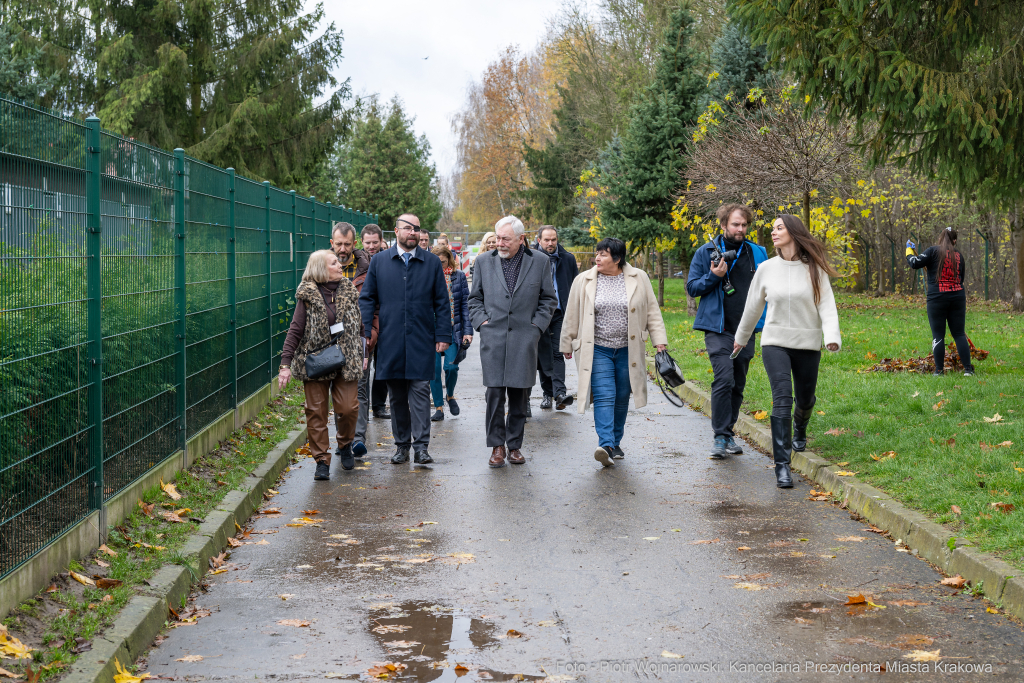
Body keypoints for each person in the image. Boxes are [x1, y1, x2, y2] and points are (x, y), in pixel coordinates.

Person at [733, 214, 841, 488]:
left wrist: (831, 337)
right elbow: (752, 307)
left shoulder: (815, 268)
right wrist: (741, 338)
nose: (773, 232)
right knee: (782, 398)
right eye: (772, 228)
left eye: (779, 228)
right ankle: (782, 466)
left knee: (804, 399)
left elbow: (826, 305)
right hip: (775, 342)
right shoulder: (766, 268)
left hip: (807, 344)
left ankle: (800, 427)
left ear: (794, 232)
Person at [560, 238, 668, 467]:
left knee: (621, 397)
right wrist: (567, 343)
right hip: (597, 348)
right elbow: (572, 313)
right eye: (597, 253)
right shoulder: (584, 280)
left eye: (603, 254)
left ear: (617, 259)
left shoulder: (639, 278)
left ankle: (615, 441)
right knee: (604, 395)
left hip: (628, 349)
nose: (597, 258)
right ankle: (606, 443)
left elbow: (652, 311)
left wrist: (660, 341)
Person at [359, 214, 451, 465]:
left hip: (422, 339)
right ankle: (402, 446)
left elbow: (442, 302)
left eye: (417, 229)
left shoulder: (431, 262)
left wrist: (443, 334)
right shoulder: (379, 262)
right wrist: (367, 331)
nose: (413, 232)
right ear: (396, 231)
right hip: (390, 340)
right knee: (397, 396)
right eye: (408, 228)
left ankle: (421, 447)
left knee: (420, 392)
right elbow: (367, 298)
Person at [468, 216, 557, 468]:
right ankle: (497, 446)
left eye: (505, 239)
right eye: (497, 238)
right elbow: (474, 299)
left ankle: (514, 446)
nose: (500, 243)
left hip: (524, 338)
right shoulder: (484, 262)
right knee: (494, 394)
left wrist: (536, 327)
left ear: (521, 239)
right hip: (493, 338)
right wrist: (482, 324)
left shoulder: (540, 262)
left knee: (520, 395)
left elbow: (548, 299)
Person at [686, 204, 768, 459]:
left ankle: (728, 432)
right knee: (724, 378)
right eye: (735, 224)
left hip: (747, 328)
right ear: (723, 226)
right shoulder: (705, 252)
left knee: (738, 382)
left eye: (744, 225)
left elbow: (769, 287)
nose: (740, 229)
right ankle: (720, 436)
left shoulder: (758, 252)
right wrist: (713, 277)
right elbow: (692, 287)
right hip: (718, 328)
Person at [279, 250, 364, 478]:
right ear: (321, 270)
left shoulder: (348, 289)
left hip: (345, 359)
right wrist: (285, 365)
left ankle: (345, 444)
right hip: (316, 361)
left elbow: (359, 323)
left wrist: (364, 351)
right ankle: (321, 461)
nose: (340, 265)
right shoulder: (307, 294)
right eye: (334, 262)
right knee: (316, 412)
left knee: (348, 409)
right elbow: (295, 331)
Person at [329, 222, 379, 460]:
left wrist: (372, 332)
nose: (343, 249)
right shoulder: (322, 266)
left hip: (359, 338)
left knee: (359, 388)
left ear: (354, 244)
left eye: (347, 244)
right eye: (338, 244)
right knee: (338, 393)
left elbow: (377, 304)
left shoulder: (368, 268)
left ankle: (357, 439)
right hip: (329, 340)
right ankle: (343, 439)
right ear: (332, 243)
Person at [906, 228, 975, 376]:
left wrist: (908, 251)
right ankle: (968, 370)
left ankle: (939, 371)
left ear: (940, 238)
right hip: (957, 297)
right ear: (954, 241)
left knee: (938, 335)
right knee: (958, 334)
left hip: (937, 298)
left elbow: (914, 263)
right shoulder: (959, 255)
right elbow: (960, 279)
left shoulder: (932, 251)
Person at [534, 226, 579, 410]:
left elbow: (575, 285)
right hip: (538, 313)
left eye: (553, 239)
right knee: (542, 354)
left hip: (560, 313)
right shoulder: (531, 259)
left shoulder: (567, 259)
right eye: (546, 240)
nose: (551, 243)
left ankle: (560, 393)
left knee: (558, 351)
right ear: (539, 240)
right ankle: (547, 393)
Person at [429, 245, 472, 420]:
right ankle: (439, 407)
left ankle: (450, 395)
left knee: (451, 367)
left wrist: (467, 331)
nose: (440, 266)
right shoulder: (427, 277)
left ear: (449, 260)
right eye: (436, 263)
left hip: (453, 330)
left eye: (443, 262)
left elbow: (465, 306)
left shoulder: (459, 277)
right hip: (430, 331)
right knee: (434, 369)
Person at [360, 224, 391, 420]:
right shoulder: (358, 263)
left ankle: (379, 406)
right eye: (368, 242)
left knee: (383, 365)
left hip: (386, 319)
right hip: (365, 319)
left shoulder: (388, 260)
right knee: (364, 365)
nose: (372, 246)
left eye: (375, 242)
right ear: (361, 242)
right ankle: (362, 407)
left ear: (381, 241)